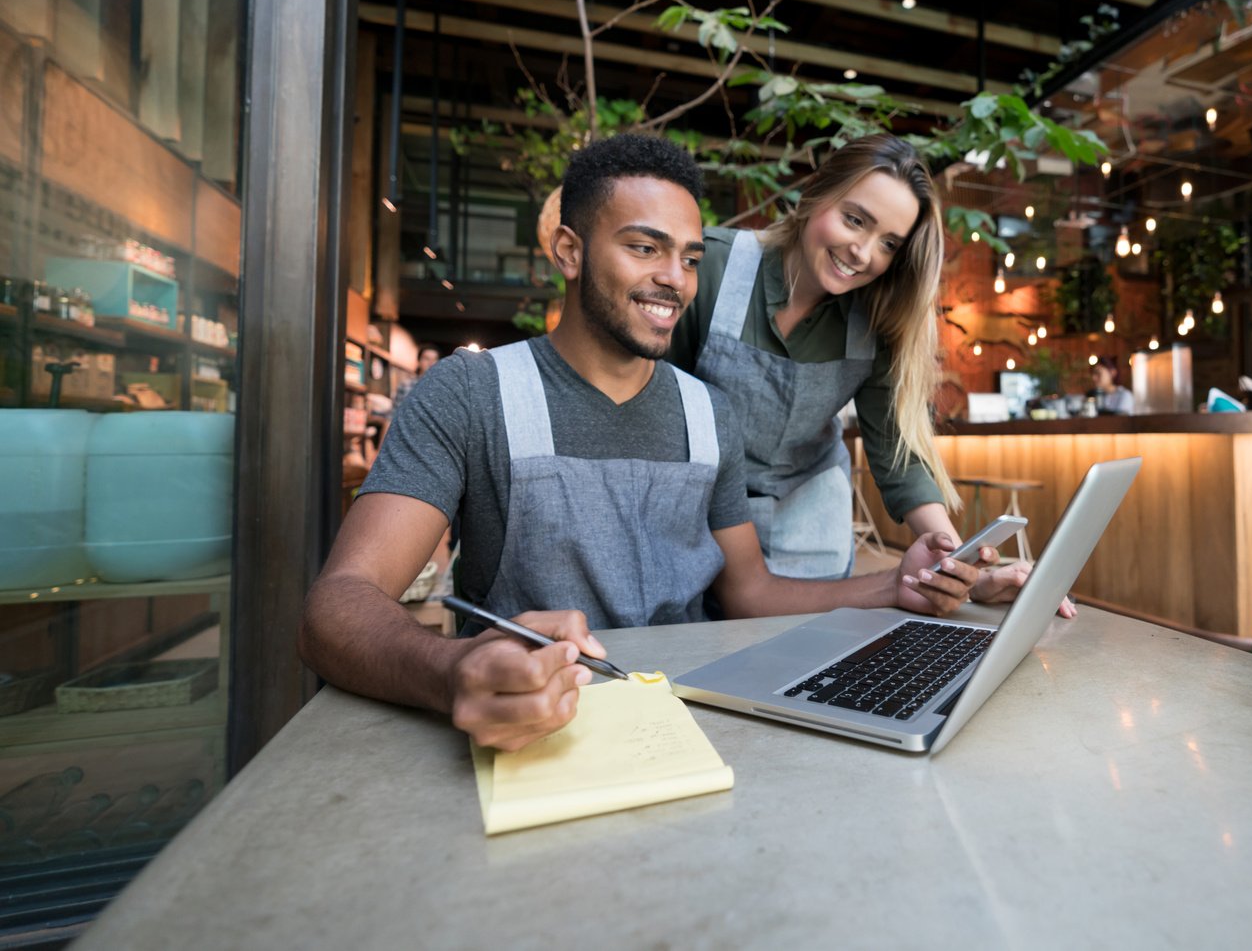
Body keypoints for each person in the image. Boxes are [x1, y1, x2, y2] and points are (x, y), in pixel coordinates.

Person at [299, 134, 1017, 752]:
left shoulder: (710, 415)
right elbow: (337, 607)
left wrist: (922, 574)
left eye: (685, 258)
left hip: (691, 702)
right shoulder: (471, 395)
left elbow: (756, 583)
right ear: (569, 251)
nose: (673, 279)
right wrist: (449, 667)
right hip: (533, 721)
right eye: (644, 247)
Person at [664, 133, 975, 581]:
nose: (863, 252)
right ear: (814, 194)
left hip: (809, 518)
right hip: (698, 508)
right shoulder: (710, 267)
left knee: (816, 645)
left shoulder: (877, 316)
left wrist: (957, 562)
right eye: (854, 220)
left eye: (889, 244)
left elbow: (897, 452)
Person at [391, 343, 441, 411]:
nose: (431, 363)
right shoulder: (406, 385)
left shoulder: (442, 387)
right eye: (427, 358)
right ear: (419, 361)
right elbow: (396, 411)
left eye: (434, 359)